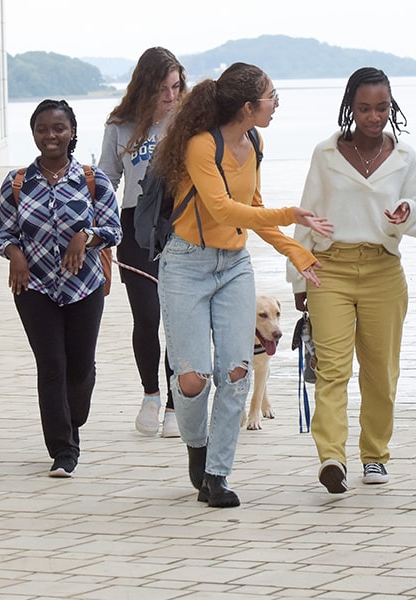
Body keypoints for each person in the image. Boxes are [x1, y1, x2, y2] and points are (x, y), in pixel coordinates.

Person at [156, 63, 333, 508]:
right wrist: (289, 214)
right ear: (249, 106)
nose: (276, 105)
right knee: (192, 378)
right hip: (186, 265)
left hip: (234, 265)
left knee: (236, 371)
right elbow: (222, 209)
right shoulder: (201, 145)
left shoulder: (254, 141)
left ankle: (217, 474)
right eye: (273, 98)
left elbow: (252, 207)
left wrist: (295, 251)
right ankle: (198, 447)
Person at [292, 67, 416, 494]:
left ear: (392, 108)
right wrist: (298, 278)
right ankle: (332, 457)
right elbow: (306, 215)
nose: (374, 116)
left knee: (381, 373)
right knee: (332, 369)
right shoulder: (326, 153)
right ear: (350, 108)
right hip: (329, 269)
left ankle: (374, 455)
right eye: (364, 108)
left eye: (382, 108)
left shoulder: (405, 157)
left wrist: (407, 212)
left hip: (383, 269)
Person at [0, 99, 123, 478]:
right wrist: (15, 254)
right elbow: (4, 234)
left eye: (58, 128)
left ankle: (73, 418)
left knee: (79, 368)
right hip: (33, 287)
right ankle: (63, 450)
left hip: (84, 287)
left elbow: (113, 230)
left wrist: (85, 236)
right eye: (42, 129)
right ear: (33, 134)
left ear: (72, 132)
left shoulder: (93, 180)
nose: (50, 135)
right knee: (51, 365)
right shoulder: (17, 183)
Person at [99, 47, 187, 438]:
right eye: (162, 89)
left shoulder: (189, 121)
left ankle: (174, 404)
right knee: (147, 316)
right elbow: (106, 179)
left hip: (179, 225)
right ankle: (151, 394)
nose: (170, 96)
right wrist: (99, 232)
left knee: (177, 318)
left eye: (176, 87)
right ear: (144, 87)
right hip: (134, 226)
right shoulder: (120, 125)